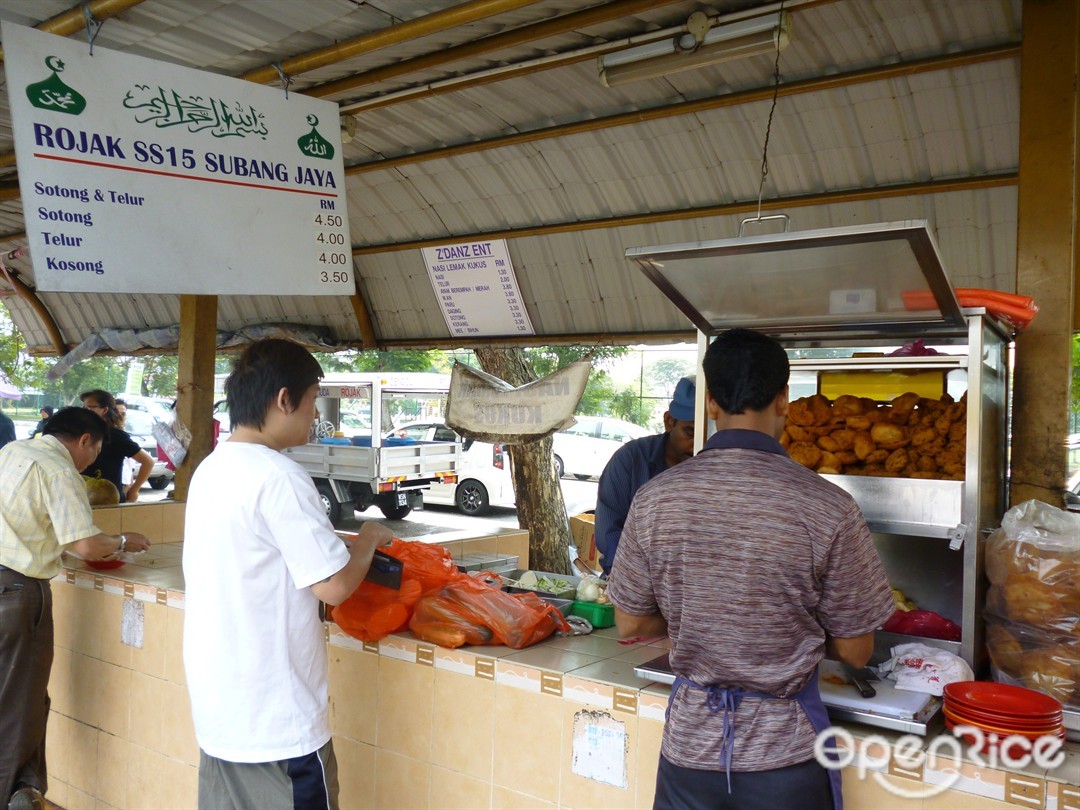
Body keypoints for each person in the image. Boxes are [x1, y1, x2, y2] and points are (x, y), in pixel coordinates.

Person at [607, 329, 895, 810]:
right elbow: (857, 650)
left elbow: (630, 621)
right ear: (785, 398)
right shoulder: (828, 506)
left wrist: (698, 617)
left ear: (712, 403)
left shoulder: (656, 498)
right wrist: (786, 624)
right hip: (787, 759)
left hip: (688, 753)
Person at [182, 338, 391, 810]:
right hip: (278, 727)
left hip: (220, 713)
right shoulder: (278, 475)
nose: (314, 414)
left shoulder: (211, 470)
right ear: (283, 399)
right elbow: (334, 587)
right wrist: (368, 541)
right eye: (313, 399)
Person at [0, 407, 151, 810]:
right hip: (16, 590)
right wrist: (121, 541)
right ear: (85, 440)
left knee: (8, 695)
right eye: (94, 451)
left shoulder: (13, 451)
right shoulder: (58, 468)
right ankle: (16, 795)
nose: (91, 462)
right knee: (20, 702)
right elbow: (85, 545)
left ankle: (22, 792)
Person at [594, 376, 696, 575]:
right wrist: (636, 583)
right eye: (690, 432)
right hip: (631, 582)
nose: (696, 445)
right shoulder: (630, 460)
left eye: (706, 434)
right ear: (669, 422)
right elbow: (610, 533)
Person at [79, 390, 155, 503]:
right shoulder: (81, 433)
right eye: (84, 407)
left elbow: (148, 462)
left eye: (90, 407)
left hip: (109, 500)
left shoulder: (115, 435)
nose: (85, 411)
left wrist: (134, 490)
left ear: (105, 410)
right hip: (83, 498)